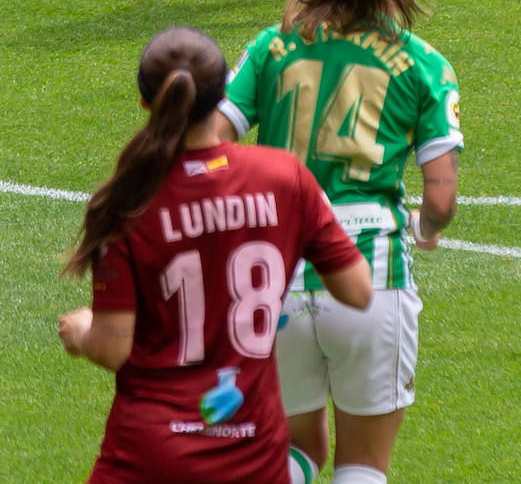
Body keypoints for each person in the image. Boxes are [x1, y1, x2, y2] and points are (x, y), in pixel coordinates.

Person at [58, 26, 372, 484]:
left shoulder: (127, 199)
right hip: (254, 459)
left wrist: (82, 329)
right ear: (224, 93)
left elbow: (111, 347)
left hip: (148, 458)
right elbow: (359, 289)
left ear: (147, 103)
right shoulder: (285, 178)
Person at [216, 0, 463, 484]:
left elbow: (210, 142)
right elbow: (441, 199)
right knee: (362, 464)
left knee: (298, 452)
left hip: (272, 283)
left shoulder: (273, 46)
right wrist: (425, 232)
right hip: (369, 280)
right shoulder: (423, 64)